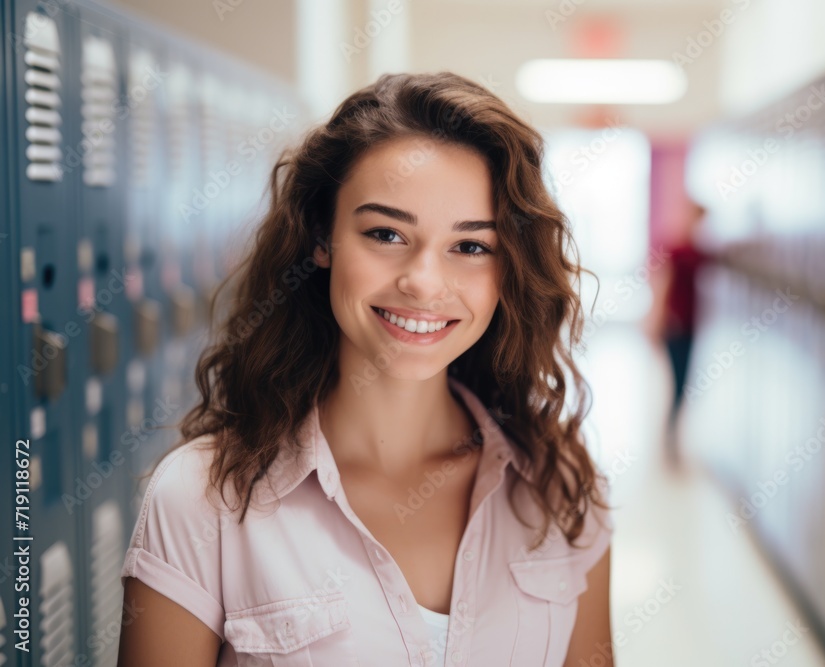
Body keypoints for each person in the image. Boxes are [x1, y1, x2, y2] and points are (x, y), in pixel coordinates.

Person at [116, 72, 615, 667]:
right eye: (386, 233)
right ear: (322, 239)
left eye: (471, 246)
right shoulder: (202, 499)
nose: (423, 282)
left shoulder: (561, 487)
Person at [658, 200, 712, 469]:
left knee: (684, 385)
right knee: (678, 385)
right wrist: (655, 320)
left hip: (691, 326)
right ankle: (670, 441)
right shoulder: (678, 250)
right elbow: (663, 285)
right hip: (676, 326)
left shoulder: (698, 251)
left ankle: (672, 440)